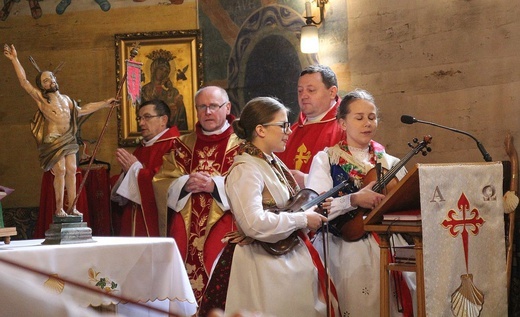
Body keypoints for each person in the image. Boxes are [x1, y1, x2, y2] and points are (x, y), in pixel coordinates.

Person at [223, 96, 337, 317]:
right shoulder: (246, 169)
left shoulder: (269, 161)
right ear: (261, 130)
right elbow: (254, 224)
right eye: (283, 125)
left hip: (285, 263)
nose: (289, 131)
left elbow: (288, 207)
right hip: (264, 268)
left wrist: (314, 208)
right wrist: (303, 220)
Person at [306, 88, 415, 316]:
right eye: (359, 117)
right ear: (342, 123)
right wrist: (354, 199)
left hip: (388, 243)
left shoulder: (390, 161)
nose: (367, 123)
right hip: (343, 248)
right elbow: (316, 207)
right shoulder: (326, 159)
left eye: (372, 117)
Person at [3, 43, 119, 218]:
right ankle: (59, 209)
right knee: (61, 171)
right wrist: (14, 59)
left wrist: (104, 103)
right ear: (42, 86)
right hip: (54, 139)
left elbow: (82, 110)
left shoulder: (66, 100)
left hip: (68, 138)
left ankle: (72, 207)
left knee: (72, 170)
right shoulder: (42, 100)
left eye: (52, 78)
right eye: (46, 80)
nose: (51, 81)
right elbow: (24, 82)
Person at [153, 86, 241, 306]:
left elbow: (253, 185)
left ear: (227, 107)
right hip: (186, 229)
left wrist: (216, 186)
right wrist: (184, 183)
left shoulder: (243, 144)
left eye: (213, 106)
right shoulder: (181, 145)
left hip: (227, 228)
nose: (207, 112)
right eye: (202, 107)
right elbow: (162, 181)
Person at [111, 99, 180, 236]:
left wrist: (135, 169)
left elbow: (165, 183)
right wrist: (127, 174)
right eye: (139, 118)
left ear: (163, 120)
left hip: (159, 220)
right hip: (133, 219)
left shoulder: (175, 146)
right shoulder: (141, 148)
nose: (141, 123)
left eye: (147, 117)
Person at [276, 64, 345, 188]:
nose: (304, 95)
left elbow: (356, 176)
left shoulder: (345, 128)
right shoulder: (291, 131)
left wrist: (308, 180)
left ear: (332, 92)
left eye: (311, 90)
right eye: (300, 91)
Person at [141, 49, 188, 131]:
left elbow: (181, 115)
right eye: (161, 69)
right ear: (154, 69)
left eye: (166, 71)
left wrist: (178, 106)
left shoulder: (173, 91)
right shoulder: (146, 89)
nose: (163, 73)